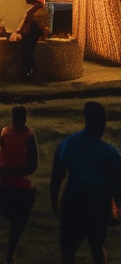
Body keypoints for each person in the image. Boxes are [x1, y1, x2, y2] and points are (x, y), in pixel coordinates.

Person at [51, 101, 121, 264]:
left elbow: (57, 178)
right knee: (97, 246)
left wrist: (55, 203)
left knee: (68, 251)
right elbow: (117, 185)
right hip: (97, 209)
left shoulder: (67, 145)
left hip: (73, 206)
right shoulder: (110, 153)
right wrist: (117, 206)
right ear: (102, 123)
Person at [0, 105, 38, 264]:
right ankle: (9, 256)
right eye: (15, 117)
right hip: (17, 186)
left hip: (12, 184)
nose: (16, 120)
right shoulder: (10, 133)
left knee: (15, 221)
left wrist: (5, 172)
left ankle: (9, 255)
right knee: (17, 223)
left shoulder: (24, 135)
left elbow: (32, 165)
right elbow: (32, 165)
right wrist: (0, 168)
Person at [13, 0, 50, 78]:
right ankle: (28, 71)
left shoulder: (30, 11)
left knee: (26, 51)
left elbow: (24, 24)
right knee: (29, 52)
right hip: (38, 34)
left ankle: (24, 72)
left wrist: (18, 33)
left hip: (32, 35)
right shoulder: (40, 8)